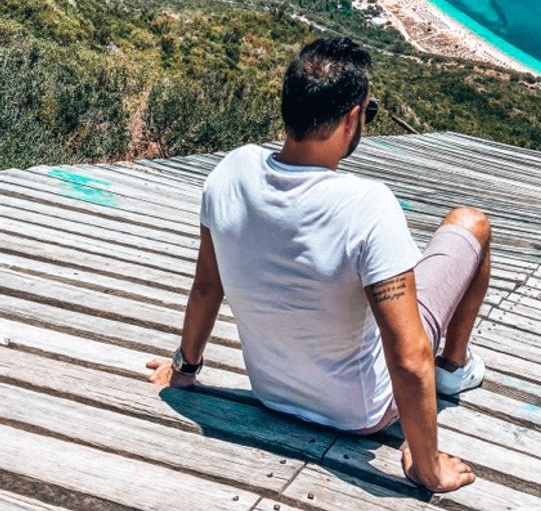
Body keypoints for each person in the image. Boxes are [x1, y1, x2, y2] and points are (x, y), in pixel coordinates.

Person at [147, 35, 491, 494]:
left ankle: (449, 367)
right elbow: (408, 359)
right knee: (471, 223)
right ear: (352, 118)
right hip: (363, 413)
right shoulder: (367, 204)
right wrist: (428, 468)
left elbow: (207, 288)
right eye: (367, 113)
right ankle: (454, 366)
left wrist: (183, 370)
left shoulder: (230, 171)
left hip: (273, 394)